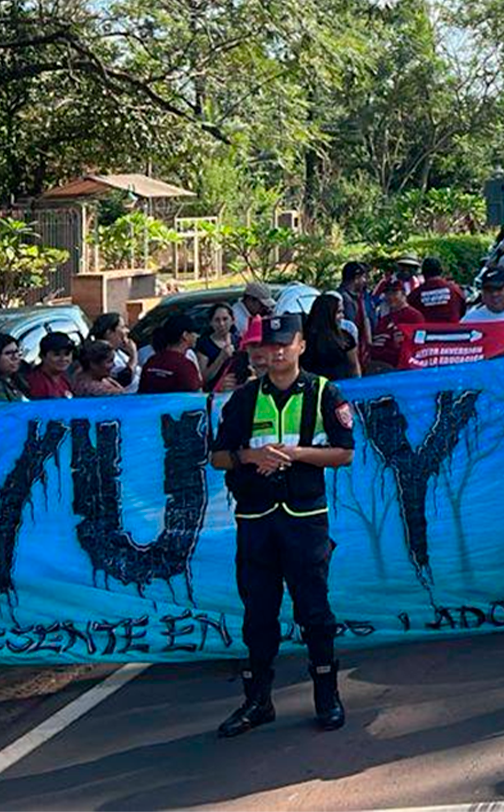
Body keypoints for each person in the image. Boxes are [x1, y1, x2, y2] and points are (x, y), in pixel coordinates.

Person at [209, 313, 355, 736]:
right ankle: (257, 701)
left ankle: (326, 695)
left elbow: (344, 453)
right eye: (266, 347)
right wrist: (251, 457)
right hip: (255, 518)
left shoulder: (325, 392)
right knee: (258, 612)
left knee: (314, 610)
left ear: (300, 346)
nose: (274, 353)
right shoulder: (244, 398)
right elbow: (219, 456)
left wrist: (295, 454)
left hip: (304, 518)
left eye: (283, 345)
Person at [301, 294, 360, 381]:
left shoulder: (346, 338)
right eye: (339, 312)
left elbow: (354, 365)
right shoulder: (304, 339)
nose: (342, 316)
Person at [138, 316, 202, 393]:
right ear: (185, 335)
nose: (198, 336)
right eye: (195, 332)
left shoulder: (151, 361)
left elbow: (142, 394)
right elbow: (195, 398)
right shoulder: (186, 366)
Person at [335, 261, 377, 368]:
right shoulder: (342, 298)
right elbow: (350, 328)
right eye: (364, 277)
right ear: (357, 277)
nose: (365, 281)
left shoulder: (360, 297)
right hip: (349, 353)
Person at [89, 313, 139, 392]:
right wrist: (133, 354)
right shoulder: (101, 353)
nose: (127, 331)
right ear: (109, 332)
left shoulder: (119, 351)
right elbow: (125, 378)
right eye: (122, 327)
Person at [22, 331, 74, 400]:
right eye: (56, 354)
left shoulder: (64, 379)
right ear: (42, 356)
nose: (63, 359)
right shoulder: (37, 383)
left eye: (67, 354)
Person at [413, 257, 466, 324]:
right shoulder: (455, 290)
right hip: (453, 332)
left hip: (426, 332)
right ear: (441, 271)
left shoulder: (415, 295)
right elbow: (463, 311)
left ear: (423, 273)